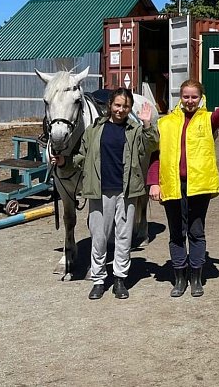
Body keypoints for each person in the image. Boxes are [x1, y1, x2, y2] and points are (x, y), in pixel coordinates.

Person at [148, 69, 219, 298]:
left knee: (196, 232)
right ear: (180, 97)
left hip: (199, 185)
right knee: (176, 233)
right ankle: (179, 277)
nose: (190, 101)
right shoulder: (166, 122)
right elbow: (156, 154)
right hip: (172, 184)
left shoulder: (208, 119)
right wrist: (153, 182)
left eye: (194, 97)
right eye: (186, 96)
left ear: (201, 98)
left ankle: (196, 278)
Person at [73, 89, 157, 300]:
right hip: (99, 191)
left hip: (127, 190)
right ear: (110, 105)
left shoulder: (135, 129)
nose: (121, 110)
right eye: (118, 105)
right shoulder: (94, 130)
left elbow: (152, 145)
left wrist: (147, 124)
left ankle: (120, 278)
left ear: (130, 109)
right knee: (99, 237)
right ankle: (99, 279)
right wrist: (65, 162)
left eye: (125, 106)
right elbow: (81, 156)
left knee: (123, 236)